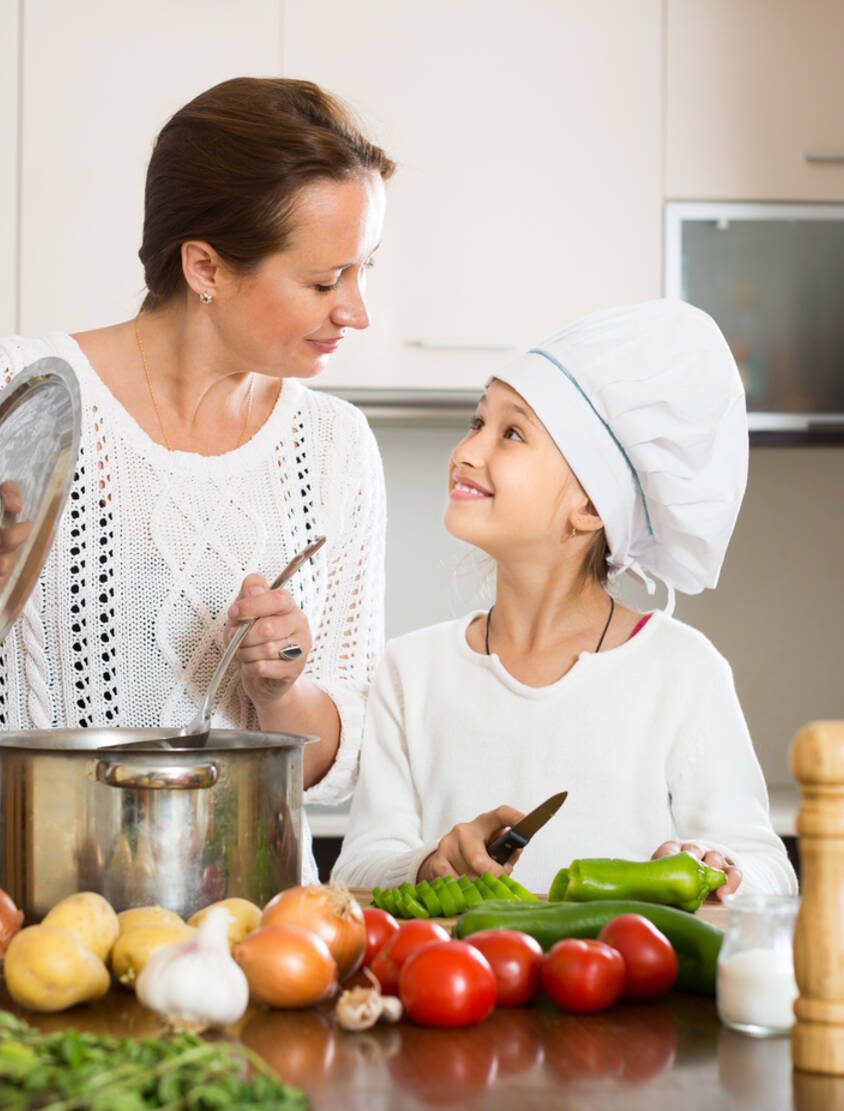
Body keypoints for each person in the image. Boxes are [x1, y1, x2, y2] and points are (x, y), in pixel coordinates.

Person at [0, 77, 394, 886]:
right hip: (25, 943)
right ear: (205, 266)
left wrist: (280, 688)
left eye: (365, 270)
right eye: (326, 281)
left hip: (250, 957)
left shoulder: (336, 446)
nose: (357, 311)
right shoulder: (18, 397)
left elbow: (341, 761)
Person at [332, 299, 797, 898]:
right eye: (477, 423)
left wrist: (718, 864)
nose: (469, 451)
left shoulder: (682, 671)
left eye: (512, 433)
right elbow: (357, 872)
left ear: (592, 507)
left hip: (630, 991)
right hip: (462, 991)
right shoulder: (410, 671)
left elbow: (769, 868)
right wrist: (430, 862)